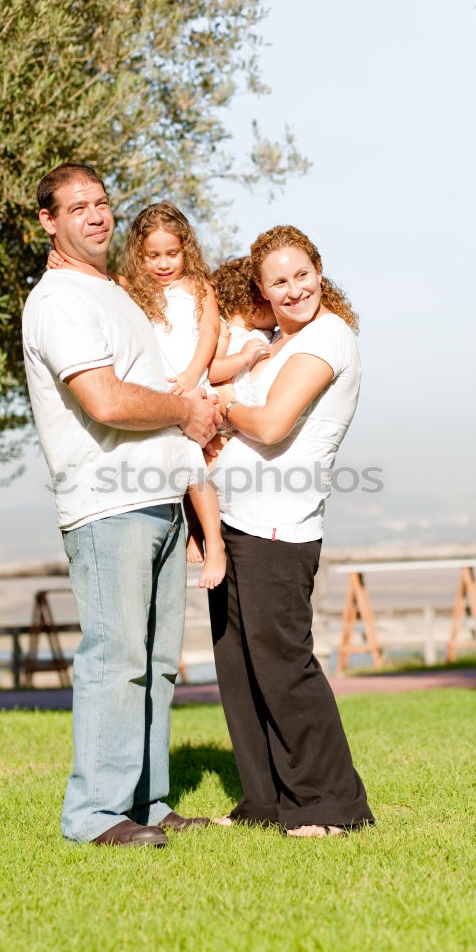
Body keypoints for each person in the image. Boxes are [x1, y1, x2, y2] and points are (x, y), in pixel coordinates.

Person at [22, 163, 220, 848]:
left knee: (159, 662)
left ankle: (148, 802)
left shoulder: (114, 293)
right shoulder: (59, 301)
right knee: (116, 659)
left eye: (102, 203)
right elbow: (105, 400)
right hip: (109, 506)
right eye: (78, 207)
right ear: (49, 221)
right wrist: (184, 410)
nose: (97, 216)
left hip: (158, 500)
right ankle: (97, 816)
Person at [208, 225, 375, 837]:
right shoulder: (277, 340)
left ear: (319, 270)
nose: (293, 287)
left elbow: (274, 424)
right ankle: (266, 801)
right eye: (278, 280)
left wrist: (222, 408)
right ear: (262, 288)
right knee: (239, 667)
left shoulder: (328, 337)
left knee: (283, 665)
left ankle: (331, 803)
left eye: (301, 274)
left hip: (280, 525)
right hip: (235, 521)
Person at [48, 202, 227, 590]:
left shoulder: (198, 288)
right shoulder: (134, 289)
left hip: (190, 384)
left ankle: (214, 543)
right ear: (139, 255)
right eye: (153, 256)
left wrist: (193, 375)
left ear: (187, 251)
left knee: (196, 462)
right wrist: (65, 264)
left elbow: (210, 333)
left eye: (172, 254)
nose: (163, 264)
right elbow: (104, 280)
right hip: (163, 392)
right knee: (174, 460)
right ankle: (192, 529)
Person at [209, 256, 276, 390]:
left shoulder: (265, 333)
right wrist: (242, 357)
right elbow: (212, 372)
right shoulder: (224, 330)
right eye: (272, 305)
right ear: (256, 303)